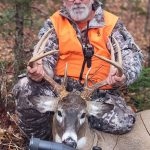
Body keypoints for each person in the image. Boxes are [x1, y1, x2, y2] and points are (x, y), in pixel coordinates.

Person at [13, 0, 143, 140]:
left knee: (122, 122)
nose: (77, 1)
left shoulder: (111, 24)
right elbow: (46, 57)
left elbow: (132, 58)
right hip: (62, 91)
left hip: (97, 92)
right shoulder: (55, 22)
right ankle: (42, 142)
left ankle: (84, 135)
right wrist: (40, 70)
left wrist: (123, 74)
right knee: (25, 87)